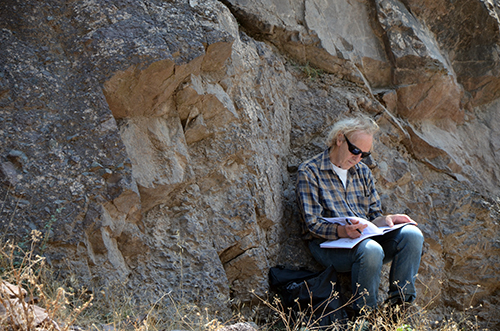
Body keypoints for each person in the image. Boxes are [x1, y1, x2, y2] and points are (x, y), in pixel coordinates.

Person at [296, 114, 424, 317]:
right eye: (355, 150)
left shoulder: (363, 172)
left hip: (364, 238)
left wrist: (386, 221)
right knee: (371, 250)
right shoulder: (310, 172)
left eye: (364, 154)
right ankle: (365, 316)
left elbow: (374, 214)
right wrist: (342, 231)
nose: (358, 158)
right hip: (328, 246)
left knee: (412, 234)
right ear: (340, 139)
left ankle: (398, 309)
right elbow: (312, 224)